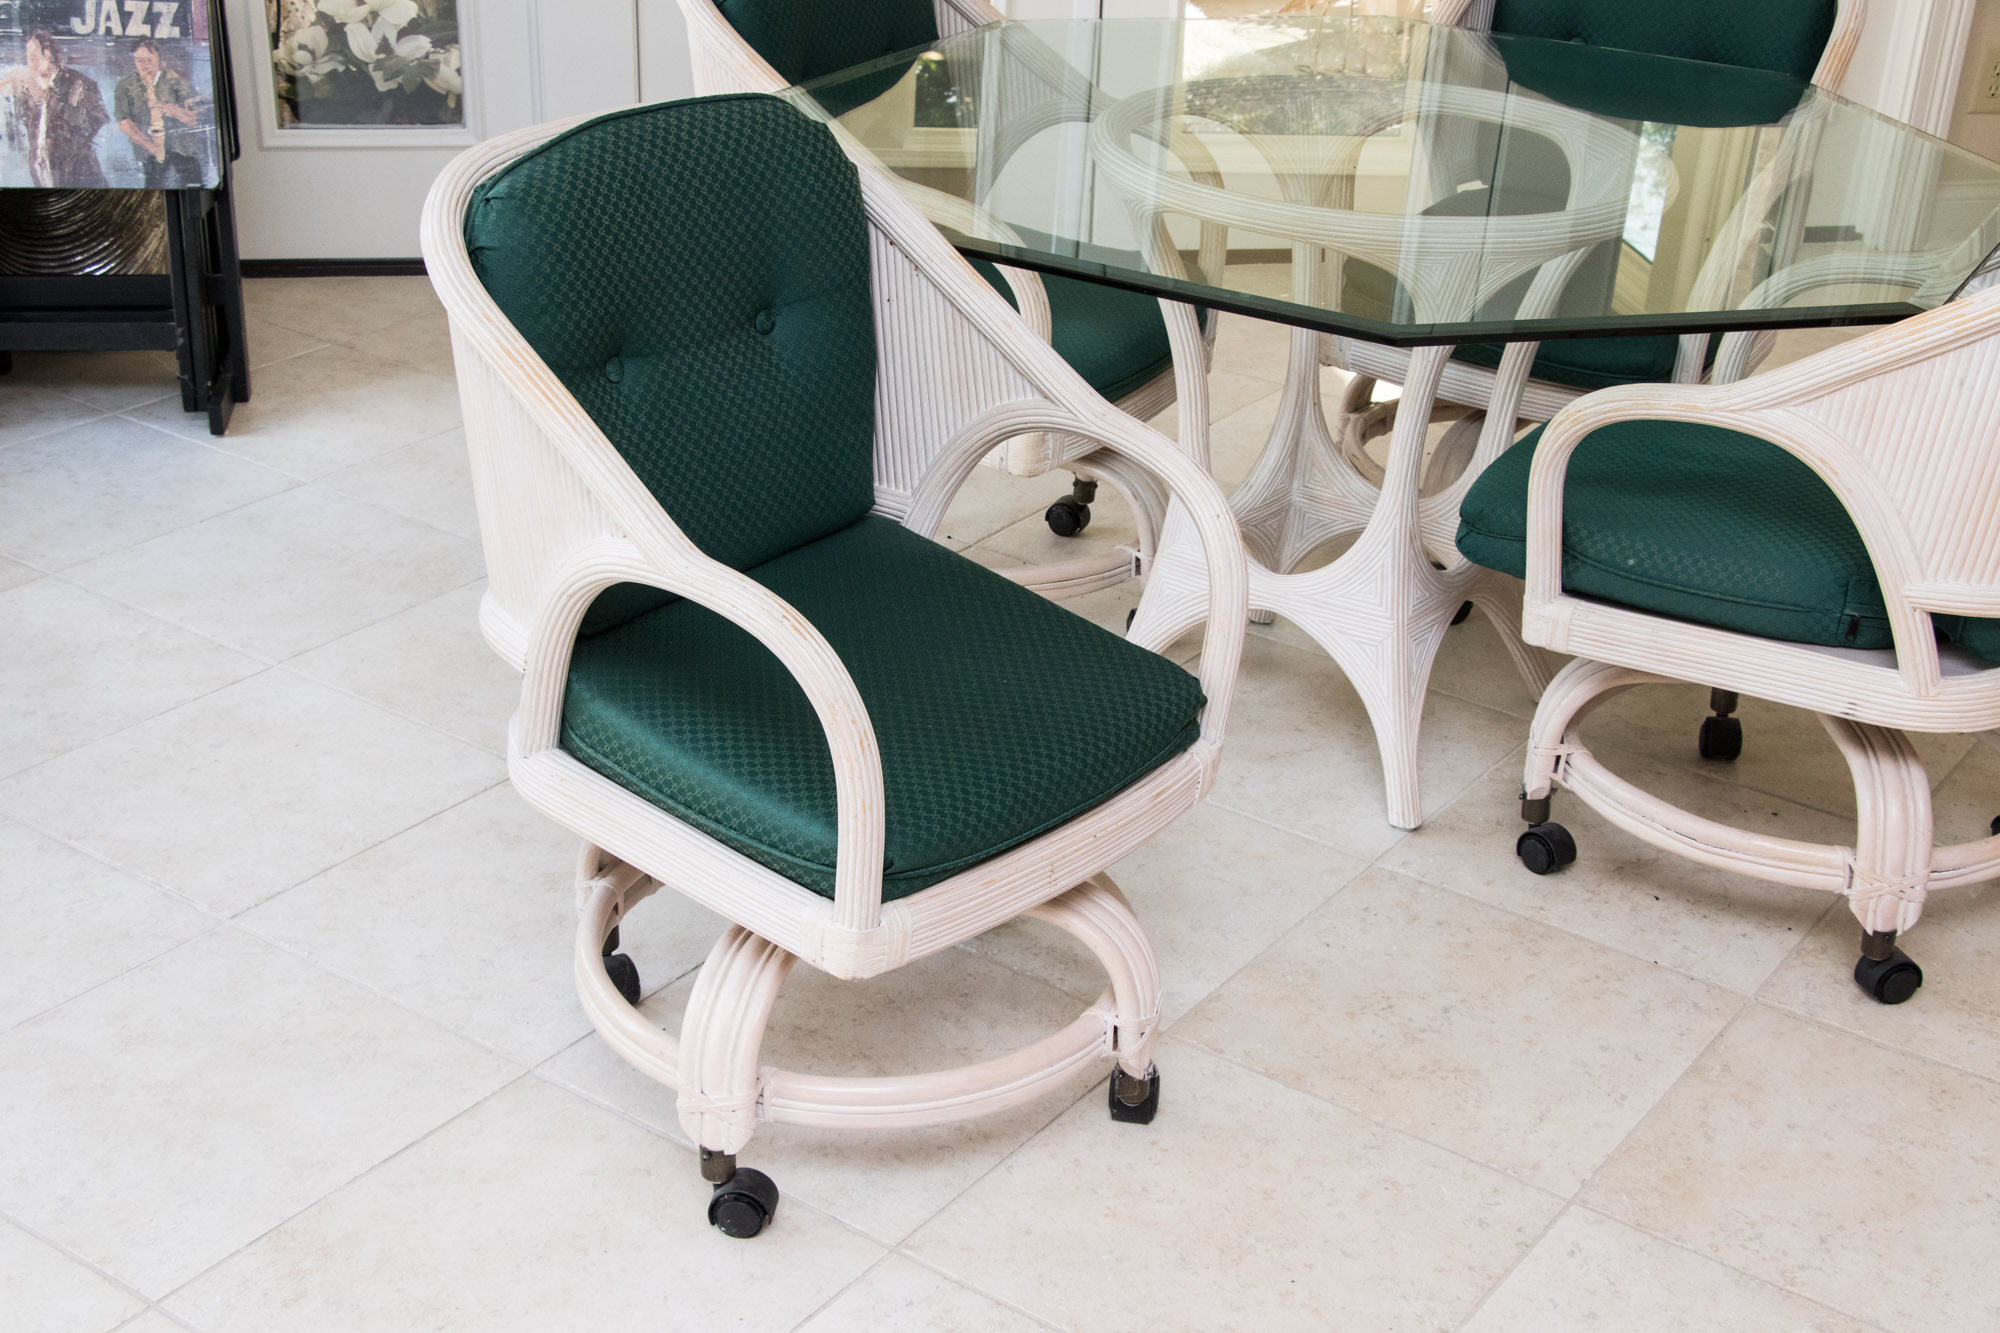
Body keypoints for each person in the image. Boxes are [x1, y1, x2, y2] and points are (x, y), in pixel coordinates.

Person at [1, 28, 109, 188]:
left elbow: (95, 121)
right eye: (28, 57)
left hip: (78, 178)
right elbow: (26, 125)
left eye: (34, 56)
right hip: (43, 175)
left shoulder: (78, 82)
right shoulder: (29, 89)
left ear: (49, 54)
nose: (30, 63)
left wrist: (51, 100)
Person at [114, 38, 201, 189]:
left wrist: (170, 110)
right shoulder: (125, 85)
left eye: (149, 60)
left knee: (193, 188)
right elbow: (124, 123)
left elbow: (194, 119)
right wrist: (150, 146)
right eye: (139, 60)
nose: (145, 65)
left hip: (183, 150)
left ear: (159, 59)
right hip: (149, 154)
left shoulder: (178, 82)